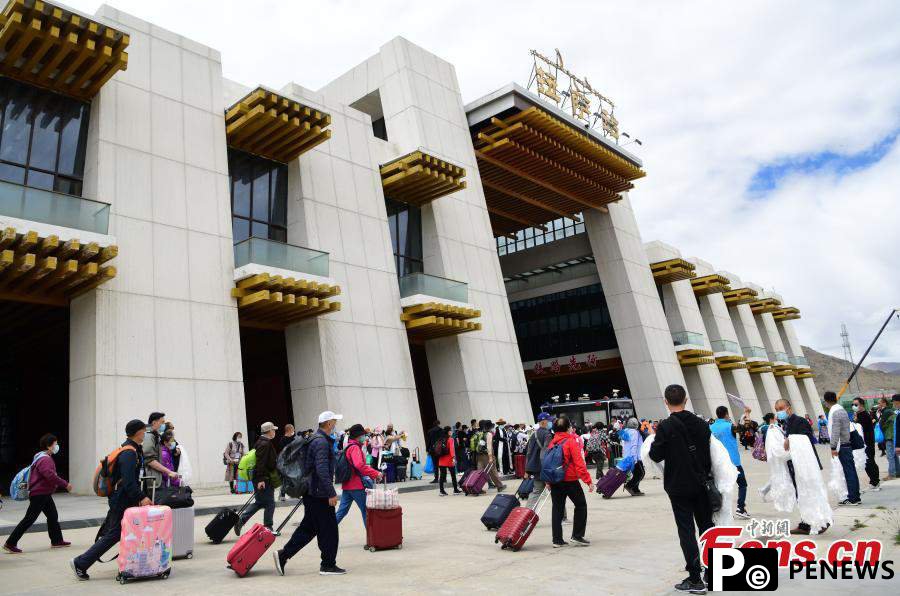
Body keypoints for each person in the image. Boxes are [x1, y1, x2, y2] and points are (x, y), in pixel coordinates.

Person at [649, 384, 714, 594]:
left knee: (686, 531)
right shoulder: (702, 424)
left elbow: (655, 455)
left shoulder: (665, 427)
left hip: (678, 486)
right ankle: (712, 573)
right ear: (686, 400)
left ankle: (695, 578)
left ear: (666, 402)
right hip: (702, 484)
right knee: (707, 528)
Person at [71, 420, 150, 580]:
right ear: (138, 432)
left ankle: (130, 563)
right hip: (122, 500)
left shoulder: (133, 450)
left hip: (122, 499)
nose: (145, 433)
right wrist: (142, 497)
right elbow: (128, 482)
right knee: (114, 533)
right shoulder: (129, 453)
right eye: (144, 430)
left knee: (119, 532)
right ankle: (81, 562)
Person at [274, 411, 345, 576]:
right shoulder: (321, 442)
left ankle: (283, 555)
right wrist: (331, 493)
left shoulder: (315, 438)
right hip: (319, 494)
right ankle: (327, 565)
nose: (335, 424)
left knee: (308, 529)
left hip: (312, 492)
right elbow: (321, 469)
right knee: (329, 530)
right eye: (334, 421)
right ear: (328, 424)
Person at [4, 434, 72, 553]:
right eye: (55, 444)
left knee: (52, 515)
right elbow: (50, 476)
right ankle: (10, 543)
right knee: (29, 518)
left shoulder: (39, 457)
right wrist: (65, 484)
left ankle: (57, 541)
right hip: (40, 493)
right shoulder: (45, 459)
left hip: (43, 493)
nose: (57, 446)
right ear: (48, 446)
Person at [775, 398, 830, 534]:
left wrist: (790, 439)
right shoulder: (785, 424)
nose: (779, 412)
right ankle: (806, 522)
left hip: (806, 465)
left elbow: (807, 439)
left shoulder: (800, 421)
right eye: (777, 410)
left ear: (789, 408)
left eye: (781, 408)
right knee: (801, 494)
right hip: (794, 464)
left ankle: (822, 521)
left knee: (812, 492)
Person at [546, 416, 593, 548]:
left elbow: (547, 464)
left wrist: (548, 481)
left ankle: (557, 540)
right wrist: (588, 481)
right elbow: (579, 463)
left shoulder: (552, 443)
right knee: (581, 505)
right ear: (568, 428)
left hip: (555, 480)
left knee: (557, 508)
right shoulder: (571, 441)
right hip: (570, 479)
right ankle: (577, 536)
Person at [236, 422, 279, 535]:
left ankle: (241, 521)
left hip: (261, 477)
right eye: (273, 430)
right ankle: (268, 527)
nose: (274, 432)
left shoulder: (261, 442)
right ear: (269, 431)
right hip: (263, 478)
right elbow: (261, 462)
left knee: (260, 502)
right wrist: (261, 480)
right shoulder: (265, 444)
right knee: (270, 503)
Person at [335, 424, 381, 527]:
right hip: (357, 485)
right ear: (358, 436)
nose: (365, 437)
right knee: (366, 511)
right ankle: (372, 538)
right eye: (364, 435)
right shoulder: (355, 448)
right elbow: (359, 465)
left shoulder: (349, 447)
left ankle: (326, 531)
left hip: (347, 485)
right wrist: (376, 473)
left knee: (341, 512)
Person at [710, 406, 749, 518]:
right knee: (742, 484)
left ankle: (723, 511)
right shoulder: (730, 426)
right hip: (733, 462)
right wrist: (747, 413)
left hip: (718, 463)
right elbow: (745, 428)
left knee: (721, 487)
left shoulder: (710, 427)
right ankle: (740, 508)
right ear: (726, 414)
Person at [823, 392, 861, 505]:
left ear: (826, 401)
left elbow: (835, 431)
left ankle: (853, 498)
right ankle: (855, 496)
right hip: (847, 444)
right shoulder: (841, 410)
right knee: (851, 471)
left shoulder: (835, 412)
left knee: (849, 472)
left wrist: (833, 447)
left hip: (842, 446)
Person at [143, 412, 178, 491]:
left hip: (156, 479)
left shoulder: (155, 435)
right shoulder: (149, 436)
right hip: (152, 480)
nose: (164, 425)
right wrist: (169, 472)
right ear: (154, 422)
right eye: (162, 422)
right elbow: (150, 460)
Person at [525, 413, 553, 507]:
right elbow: (544, 453)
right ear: (544, 421)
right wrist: (546, 469)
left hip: (535, 468)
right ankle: (562, 517)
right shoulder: (547, 435)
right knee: (555, 493)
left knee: (536, 492)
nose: (550, 422)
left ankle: (527, 515)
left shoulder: (534, 434)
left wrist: (527, 469)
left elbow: (528, 453)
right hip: (545, 468)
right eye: (549, 420)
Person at [852, 398, 880, 491]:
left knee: (870, 462)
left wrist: (856, 420)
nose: (854, 407)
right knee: (867, 462)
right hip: (863, 443)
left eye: (856, 404)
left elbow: (862, 430)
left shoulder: (864, 415)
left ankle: (875, 482)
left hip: (867, 442)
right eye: (853, 405)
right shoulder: (859, 415)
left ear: (862, 405)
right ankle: (874, 481)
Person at [476, 420, 506, 491]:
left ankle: (477, 488)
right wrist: (490, 457)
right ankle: (500, 486)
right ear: (489, 427)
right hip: (487, 455)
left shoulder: (479, 434)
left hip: (479, 455)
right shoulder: (489, 434)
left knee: (480, 472)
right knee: (493, 471)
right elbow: (489, 446)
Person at [620, 418, 645, 496]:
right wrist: (634, 458)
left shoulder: (625, 431)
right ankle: (630, 486)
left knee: (638, 473)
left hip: (627, 456)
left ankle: (635, 489)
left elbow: (624, 444)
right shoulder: (634, 432)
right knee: (640, 473)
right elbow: (634, 445)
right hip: (634, 456)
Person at [436, 426, 461, 496]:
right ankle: (455, 490)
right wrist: (453, 458)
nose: (451, 431)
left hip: (441, 460)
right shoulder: (450, 439)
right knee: (453, 475)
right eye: (450, 430)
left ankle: (441, 491)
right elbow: (452, 449)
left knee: (442, 476)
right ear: (448, 432)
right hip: (449, 460)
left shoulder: (440, 439)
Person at [878, 396, 898, 480]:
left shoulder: (886, 412)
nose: (878, 405)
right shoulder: (889, 411)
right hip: (892, 435)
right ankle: (897, 472)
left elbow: (881, 424)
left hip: (889, 435)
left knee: (890, 455)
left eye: (879, 403)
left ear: (884, 403)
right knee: (894, 455)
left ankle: (891, 474)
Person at [278, 424, 297, 501]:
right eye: (293, 430)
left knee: (294, 478)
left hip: (294, 462)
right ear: (289, 430)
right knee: (285, 479)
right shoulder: (283, 440)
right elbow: (282, 452)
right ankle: (282, 494)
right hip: (286, 463)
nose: (294, 431)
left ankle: (293, 494)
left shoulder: (294, 438)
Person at [426, 420, 443, 484]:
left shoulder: (430, 431)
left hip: (433, 450)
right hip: (440, 450)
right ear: (438, 424)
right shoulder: (441, 430)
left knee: (435, 465)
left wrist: (427, 450)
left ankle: (436, 478)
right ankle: (443, 478)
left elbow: (429, 442)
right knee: (442, 464)